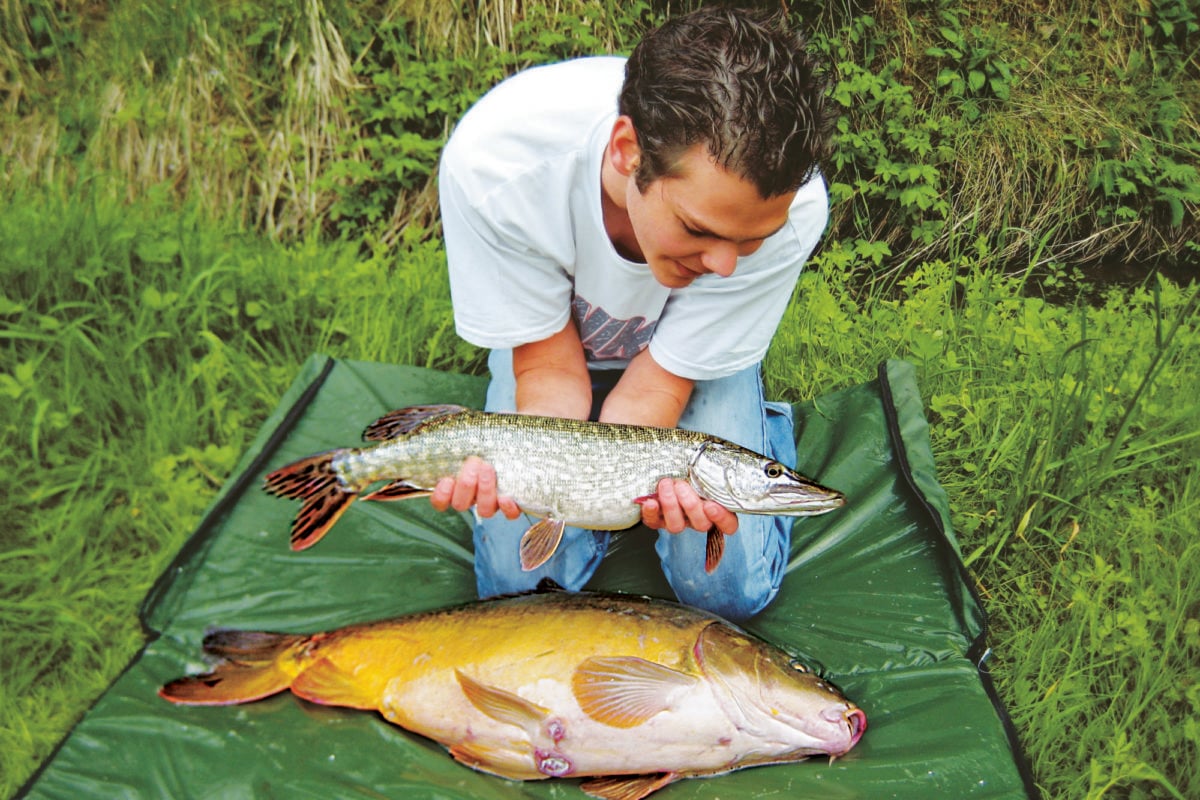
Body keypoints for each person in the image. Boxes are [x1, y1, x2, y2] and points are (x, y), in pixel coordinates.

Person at [431, 6, 834, 621]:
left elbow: (656, 389)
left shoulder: (791, 208)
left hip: (677, 366)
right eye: (698, 229)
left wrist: (640, 489)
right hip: (553, 351)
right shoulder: (496, 168)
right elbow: (546, 370)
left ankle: (758, 433)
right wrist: (554, 485)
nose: (725, 267)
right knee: (519, 591)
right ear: (627, 150)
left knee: (728, 594)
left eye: (748, 243)